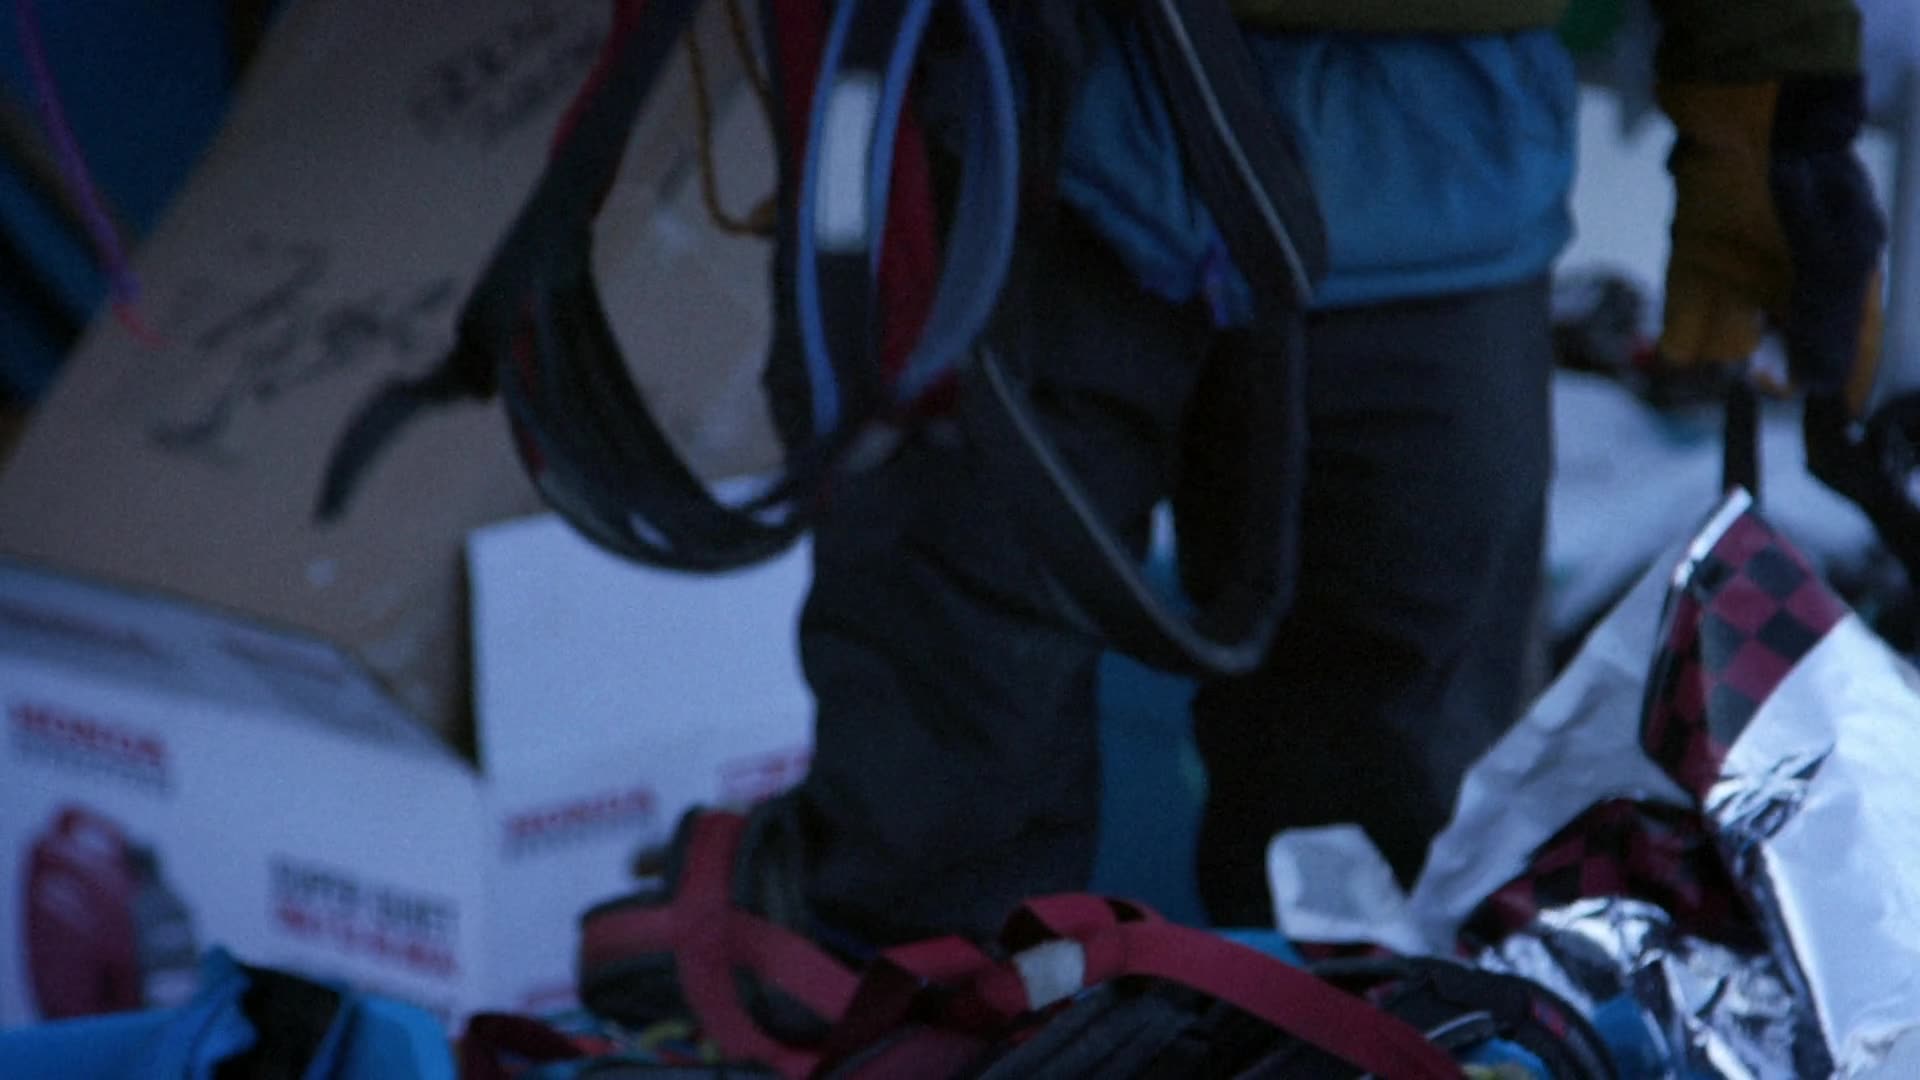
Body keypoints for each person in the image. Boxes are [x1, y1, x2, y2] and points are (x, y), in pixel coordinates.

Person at [663, 0, 1886, 955]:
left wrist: (1770, 111)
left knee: (1394, 847)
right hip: (1025, 138)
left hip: (1434, 166)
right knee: (940, 805)